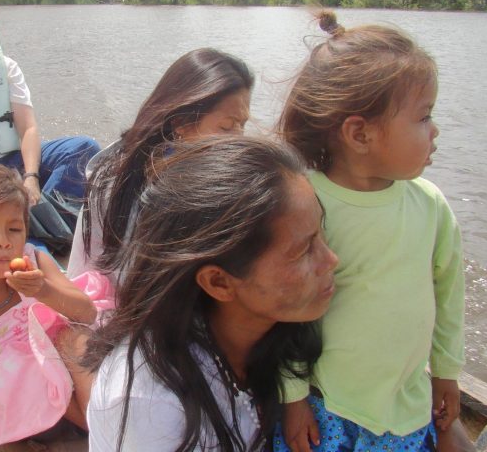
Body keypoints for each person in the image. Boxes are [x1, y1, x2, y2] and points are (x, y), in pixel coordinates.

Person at [275, 11, 465, 452]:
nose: (435, 131)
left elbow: (448, 296)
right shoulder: (309, 206)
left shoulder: (430, 205)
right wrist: (294, 399)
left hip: (406, 407)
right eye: (423, 117)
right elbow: (286, 311)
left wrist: (447, 373)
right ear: (360, 134)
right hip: (329, 406)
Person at [85, 136, 338, 451]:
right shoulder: (151, 407)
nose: (331, 260)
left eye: (321, 232)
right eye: (304, 251)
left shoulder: (272, 337)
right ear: (218, 282)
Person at [0, 168, 113, 450]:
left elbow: (86, 312)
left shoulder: (36, 261)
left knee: (76, 343)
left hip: (69, 353)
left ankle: (113, 432)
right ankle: (109, 433)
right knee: (32, 376)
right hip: (28, 381)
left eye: (15, 229)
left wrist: (43, 290)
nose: (4, 241)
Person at [66, 47, 253, 286]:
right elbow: (89, 277)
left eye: (242, 125)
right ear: (181, 123)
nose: (239, 140)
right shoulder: (119, 181)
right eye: (226, 127)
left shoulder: (222, 180)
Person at [0, 0, 99, 207]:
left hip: (14, 159)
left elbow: (28, 127)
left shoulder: (7, 68)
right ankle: (31, 222)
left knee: (84, 147)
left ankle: (46, 217)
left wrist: (31, 177)